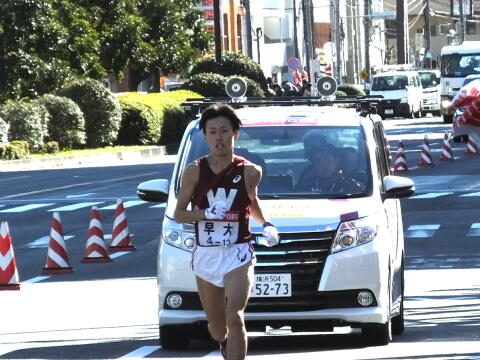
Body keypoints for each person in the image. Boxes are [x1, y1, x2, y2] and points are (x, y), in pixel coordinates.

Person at [173, 104, 279, 360]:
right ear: (205, 136)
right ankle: (222, 342)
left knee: (235, 316)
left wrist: (266, 225)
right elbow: (179, 214)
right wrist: (205, 214)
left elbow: (251, 201)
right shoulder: (195, 171)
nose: (218, 137)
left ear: (235, 134)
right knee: (218, 327)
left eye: (224, 131)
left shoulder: (250, 171)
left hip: (238, 253)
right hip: (207, 254)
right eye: (212, 132)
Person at [296, 131, 362, 194]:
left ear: (336, 161)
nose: (323, 165)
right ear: (314, 165)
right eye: (318, 162)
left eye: (327, 160)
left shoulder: (350, 186)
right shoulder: (306, 181)